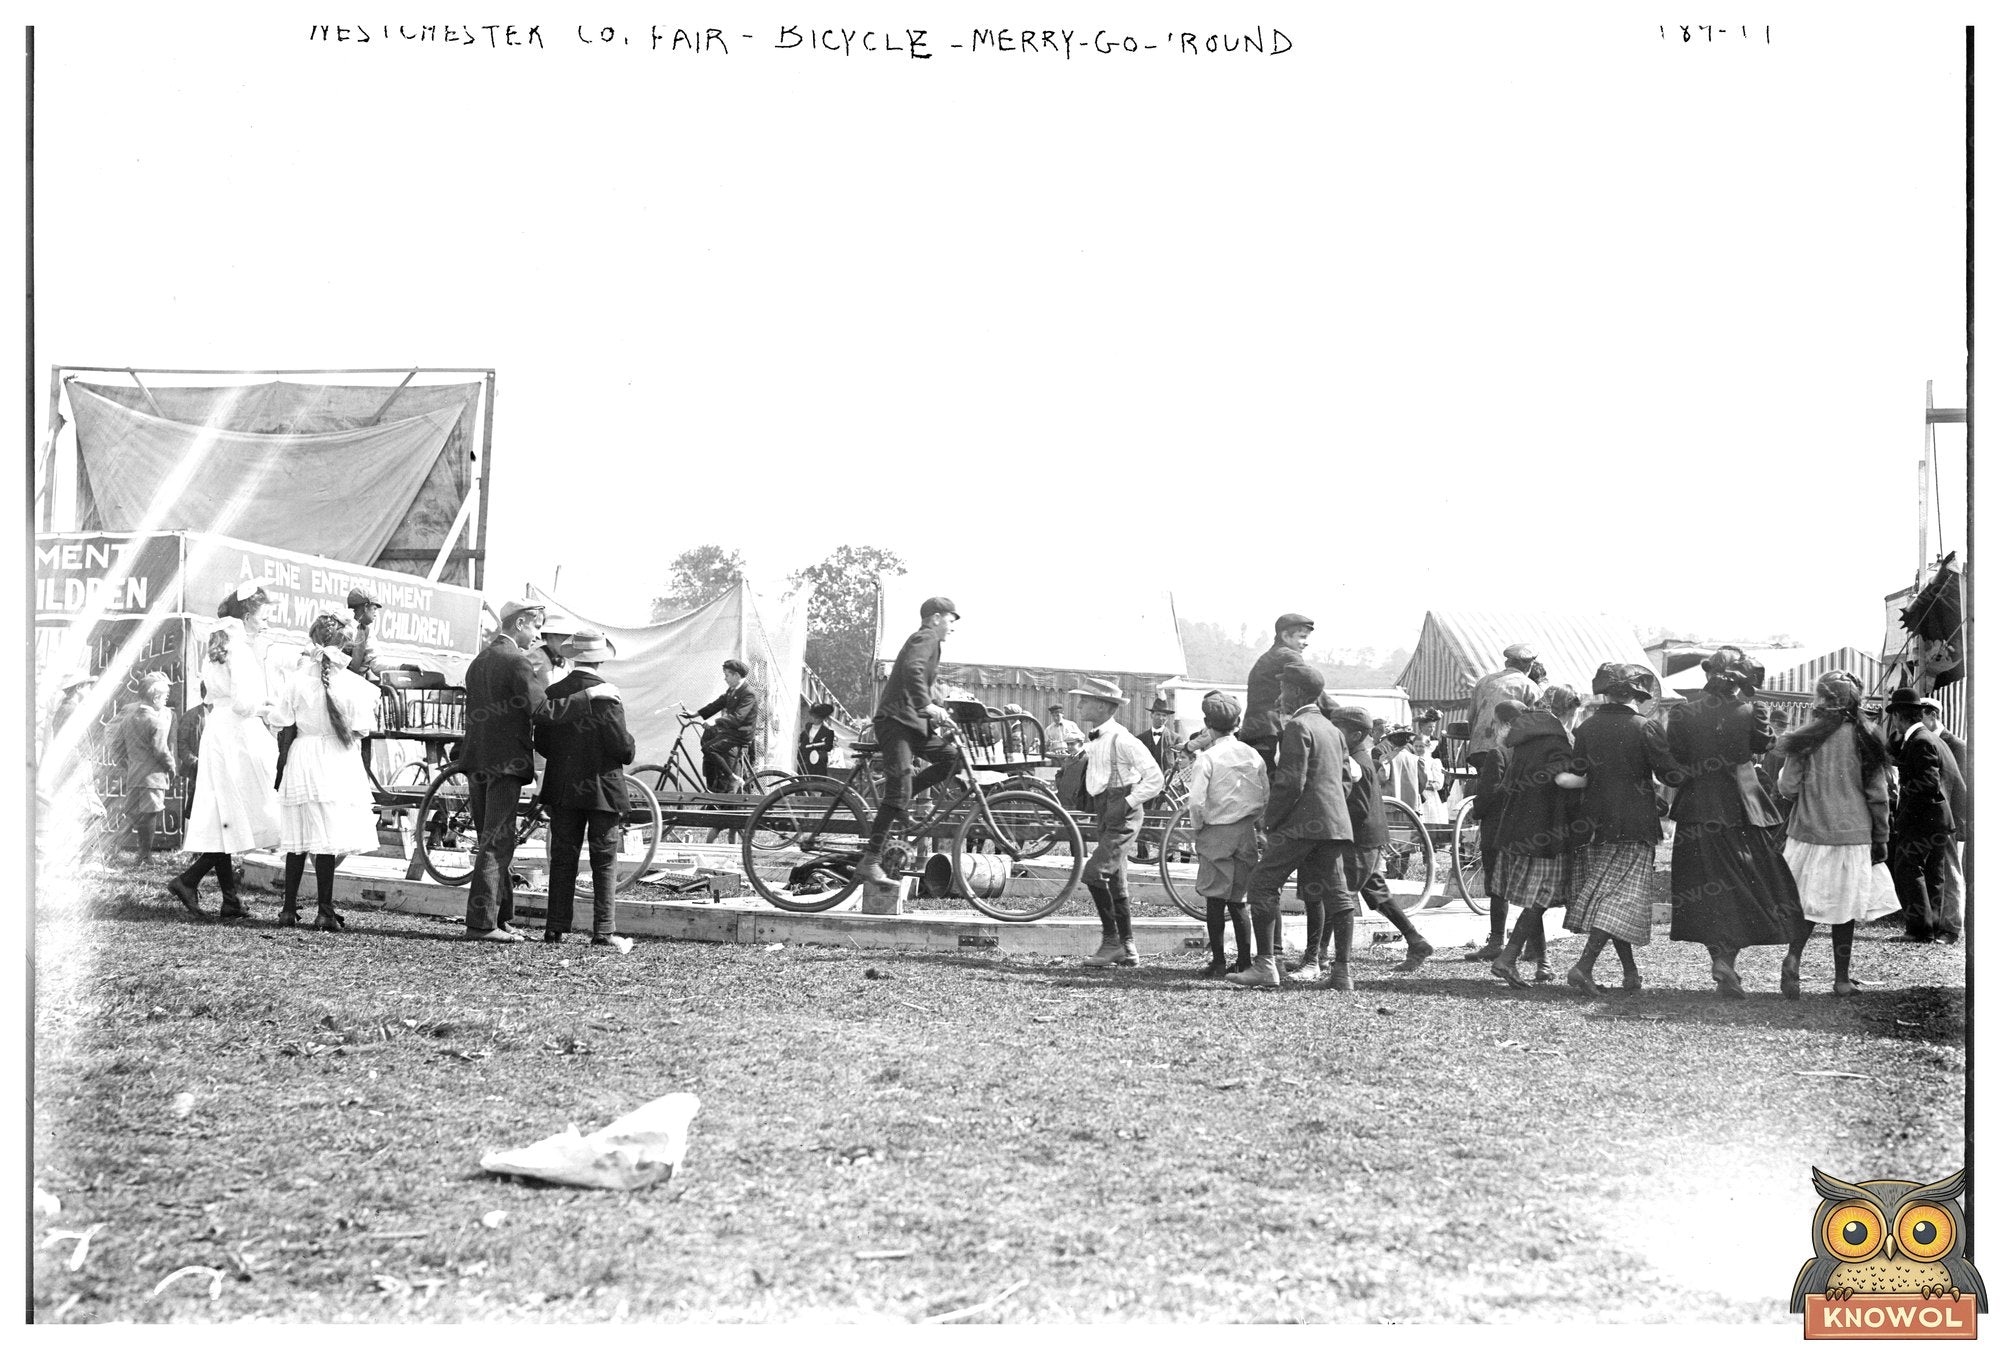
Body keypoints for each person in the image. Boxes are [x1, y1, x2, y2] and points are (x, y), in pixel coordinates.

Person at [459, 598, 619, 942]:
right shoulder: (516, 661)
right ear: (520, 624)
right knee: (496, 841)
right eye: (535, 627)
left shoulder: (480, 660)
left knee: (491, 839)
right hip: (505, 764)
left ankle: (499, 919)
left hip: (476, 760)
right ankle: (482, 925)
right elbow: (543, 710)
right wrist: (592, 696)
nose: (538, 636)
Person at [1664, 647, 1809, 997]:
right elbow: (1763, 745)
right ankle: (1726, 960)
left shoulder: (1684, 712)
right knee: (1747, 882)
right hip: (1741, 809)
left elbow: (1678, 755)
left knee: (1705, 884)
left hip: (1696, 808)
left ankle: (1721, 958)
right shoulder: (1752, 710)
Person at [1226, 666, 1357, 990]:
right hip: (1334, 825)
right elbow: (1345, 782)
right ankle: (1342, 973)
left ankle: (1266, 965)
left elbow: (1290, 783)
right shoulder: (1332, 729)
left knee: (1261, 885)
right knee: (1338, 897)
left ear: (1298, 692)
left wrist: (1271, 821)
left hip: (1303, 826)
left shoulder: (1298, 726)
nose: (1279, 696)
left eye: (1283, 689)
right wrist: (1330, 811)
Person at [1775, 670, 1898, 996]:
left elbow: (1787, 788)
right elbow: (1878, 795)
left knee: (1805, 906)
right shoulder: (1867, 736)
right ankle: (1841, 980)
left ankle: (1793, 959)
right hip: (1852, 836)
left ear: (1820, 698)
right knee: (1845, 911)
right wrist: (1882, 838)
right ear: (1855, 700)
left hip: (1807, 835)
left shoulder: (1804, 737)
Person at [167, 581, 283, 920]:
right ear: (246, 617)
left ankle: (226, 898)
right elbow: (246, 703)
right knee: (239, 812)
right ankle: (190, 881)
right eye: (263, 617)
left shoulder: (217, 646)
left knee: (225, 817)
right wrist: (268, 708)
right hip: (237, 733)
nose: (266, 623)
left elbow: (217, 696)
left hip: (219, 730)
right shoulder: (241, 651)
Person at [1561, 664, 1675, 996]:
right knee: (1621, 900)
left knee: (1612, 898)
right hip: (1635, 823)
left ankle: (1630, 972)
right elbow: (1670, 775)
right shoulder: (1646, 727)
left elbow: (1578, 774)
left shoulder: (1586, 729)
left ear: (1607, 694)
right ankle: (1583, 967)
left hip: (1595, 824)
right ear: (1637, 696)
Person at [268, 612, 381, 931]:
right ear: (344, 646)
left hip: (303, 754)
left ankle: (288, 910)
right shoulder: (354, 686)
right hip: (334, 756)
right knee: (326, 837)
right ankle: (324, 909)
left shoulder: (296, 680)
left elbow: (282, 721)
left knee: (298, 835)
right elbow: (361, 730)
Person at [535, 628, 638, 953]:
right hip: (602, 791)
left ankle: (555, 928)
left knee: (563, 858)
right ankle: (603, 930)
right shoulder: (609, 693)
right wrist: (630, 744)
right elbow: (622, 749)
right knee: (604, 860)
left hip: (564, 788)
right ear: (600, 659)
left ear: (574, 655)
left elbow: (542, 742)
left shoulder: (554, 692)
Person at [857, 598, 965, 884]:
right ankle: (871, 860)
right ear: (935, 618)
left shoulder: (933, 643)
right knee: (897, 792)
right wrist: (928, 706)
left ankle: (903, 800)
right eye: (951, 620)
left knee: (952, 757)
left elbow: (927, 686)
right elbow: (913, 671)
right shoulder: (926, 636)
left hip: (913, 725)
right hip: (896, 723)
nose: (953, 627)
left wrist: (945, 710)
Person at [1487, 686, 1586, 988]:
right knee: (1541, 897)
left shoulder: (1526, 735)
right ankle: (1508, 958)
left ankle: (1542, 963)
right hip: (1546, 830)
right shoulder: (1556, 739)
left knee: (1535, 898)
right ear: (1568, 711)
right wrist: (1593, 779)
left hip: (1517, 827)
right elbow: (1562, 779)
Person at [1324, 703, 1434, 975]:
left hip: (1359, 839)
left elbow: (1357, 808)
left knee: (1340, 896)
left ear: (1353, 735)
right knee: (1374, 891)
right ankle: (1416, 940)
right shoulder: (1361, 756)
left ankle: (1325, 961)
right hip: (1369, 837)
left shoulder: (1356, 761)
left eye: (1337, 730)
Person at [1066, 677, 1168, 968]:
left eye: (1084, 700)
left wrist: (1127, 803)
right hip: (1105, 809)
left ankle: (1111, 942)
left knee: (1094, 873)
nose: (1079, 704)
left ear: (1101, 705)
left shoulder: (1122, 739)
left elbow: (1155, 779)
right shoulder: (1095, 738)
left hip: (1122, 811)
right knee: (1116, 882)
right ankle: (1128, 947)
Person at [1460, 642, 1542, 963]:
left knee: (1495, 849)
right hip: (1516, 757)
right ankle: (1531, 946)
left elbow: (1470, 718)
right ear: (1529, 665)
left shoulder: (1483, 682)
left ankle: (1497, 939)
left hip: (1483, 752)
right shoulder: (1529, 686)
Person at [1184, 690, 1266, 977]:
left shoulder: (1207, 758)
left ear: (1207, 723)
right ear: (1239, 722)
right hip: (1246, 832)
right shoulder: (1252, 755)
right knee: (1239, 900)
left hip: (1216, 830)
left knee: (1215, 899)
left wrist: (1199, 828)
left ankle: (1219, 961)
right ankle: (1244, 961)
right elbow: (1264, 795)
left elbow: (1196, 802)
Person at [1882, 687, 1959, 944]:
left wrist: (1905, 816)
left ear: (1899, 717)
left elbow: (1927, 783)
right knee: (1934, 874)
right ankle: (1932, 926)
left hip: (1922, 819)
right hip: (1939, 819)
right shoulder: (1931, 738)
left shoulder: (1920, 741)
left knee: (1908, 868)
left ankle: (1919, 929)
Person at [107, 672, 175, 866]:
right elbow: (161, 751)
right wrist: (171, 769)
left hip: (134, 775)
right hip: (153, 777)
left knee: (132, 814)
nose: (165, 700)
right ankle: (144, 855)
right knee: (151, 814)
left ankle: (114, 848)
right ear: (155, 698)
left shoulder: (128, 719)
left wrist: (126, 765)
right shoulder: (157, 721)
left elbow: (117, 745)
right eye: (164, 697)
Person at [1918, 696, 1968, 940]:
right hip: (1931, 818)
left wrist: (1961, 822)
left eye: (1920, 715)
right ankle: (1936, 923)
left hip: (1950, 819)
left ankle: (1951, 927)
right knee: (1936, 871)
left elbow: (1962, 787)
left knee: (1950, 871)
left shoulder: (1956, 744)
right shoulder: (1926, 740)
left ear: (1932, 715)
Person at [1240, 613, 1315, 771]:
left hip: (1257, 731)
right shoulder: (1288, 656)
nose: (1306, 643)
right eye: (1302, 637)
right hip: (1270, 734)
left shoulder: (1271, 656)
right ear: (1286, 636)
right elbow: (1312, 687)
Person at [695, 658, 760, 792]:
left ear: (736, 675)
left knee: (710, 748)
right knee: (707, 748)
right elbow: (717, 704)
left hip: (741, 734)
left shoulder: (748, 693)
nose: (725, 679)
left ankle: (733, 778)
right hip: (731, 732)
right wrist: (695, 714)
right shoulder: (733, 690)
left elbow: (738, 718)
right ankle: (721, 787)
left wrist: (715, 721)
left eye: (727, 675)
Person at [343, 586, 387, 680]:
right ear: (366, 607)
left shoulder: (366, 632)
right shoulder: (341, 626)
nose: (375, 613)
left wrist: (402, 667)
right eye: (374, 608)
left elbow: (376, 663)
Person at [798, 702, 837, 776]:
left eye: (817, 717)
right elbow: (801, 742)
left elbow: (828, 747)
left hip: (817, 765)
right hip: (804, 763)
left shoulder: (828, 732)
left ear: (822, 718)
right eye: (813, 716)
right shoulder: (807, 728)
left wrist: (815, 746)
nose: (814, 719)